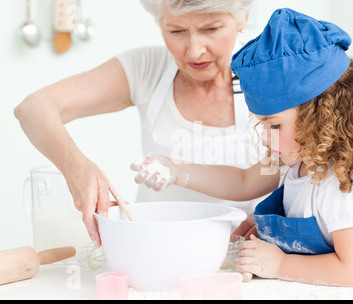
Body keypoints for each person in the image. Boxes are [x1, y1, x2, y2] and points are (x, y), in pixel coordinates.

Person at [131, 8, 353, 297]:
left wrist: (280, 263)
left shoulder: (340, 182)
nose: (266, 136)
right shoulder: (294, 161)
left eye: (273, 125)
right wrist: (176, 169)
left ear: (320, 118)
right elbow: (243, 183)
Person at [14, 0, 260, 248]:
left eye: (212, 29)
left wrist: (275, 218)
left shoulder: (270, 73)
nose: (194, 51)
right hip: (155, 251)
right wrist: (74, 166)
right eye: (176, 31)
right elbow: (33, 108)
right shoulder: (147, 69)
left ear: (243, 18)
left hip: (249, 258)